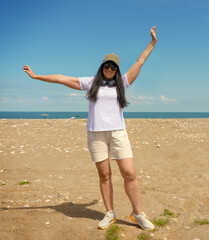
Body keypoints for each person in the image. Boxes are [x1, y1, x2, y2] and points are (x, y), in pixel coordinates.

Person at [23, 26, 158, 230]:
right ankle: (110, 213)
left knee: (129, 173)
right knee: (105, 175)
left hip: (118, 133)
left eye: (113, 66)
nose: (110, 69)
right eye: (107, 65)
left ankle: (137, 213)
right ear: (102, 66)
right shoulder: (92, 82)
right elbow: (62, 78)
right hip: (96, 135)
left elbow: (140, 61)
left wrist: (152, 43)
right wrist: (37, 76)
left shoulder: (124, 82)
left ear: (117, 69)